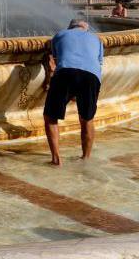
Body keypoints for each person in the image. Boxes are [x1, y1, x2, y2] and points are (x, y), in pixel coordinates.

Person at [42, 19, 103, 166]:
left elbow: (54, 58)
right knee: (87, 119)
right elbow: (99, 62)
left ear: (70, 28)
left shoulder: (60, 35)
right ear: (86, 29)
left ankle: (56, 159)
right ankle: (85, 158)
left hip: (65, 72)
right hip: (91, 76)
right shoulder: (97, 39)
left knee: (50, 117)